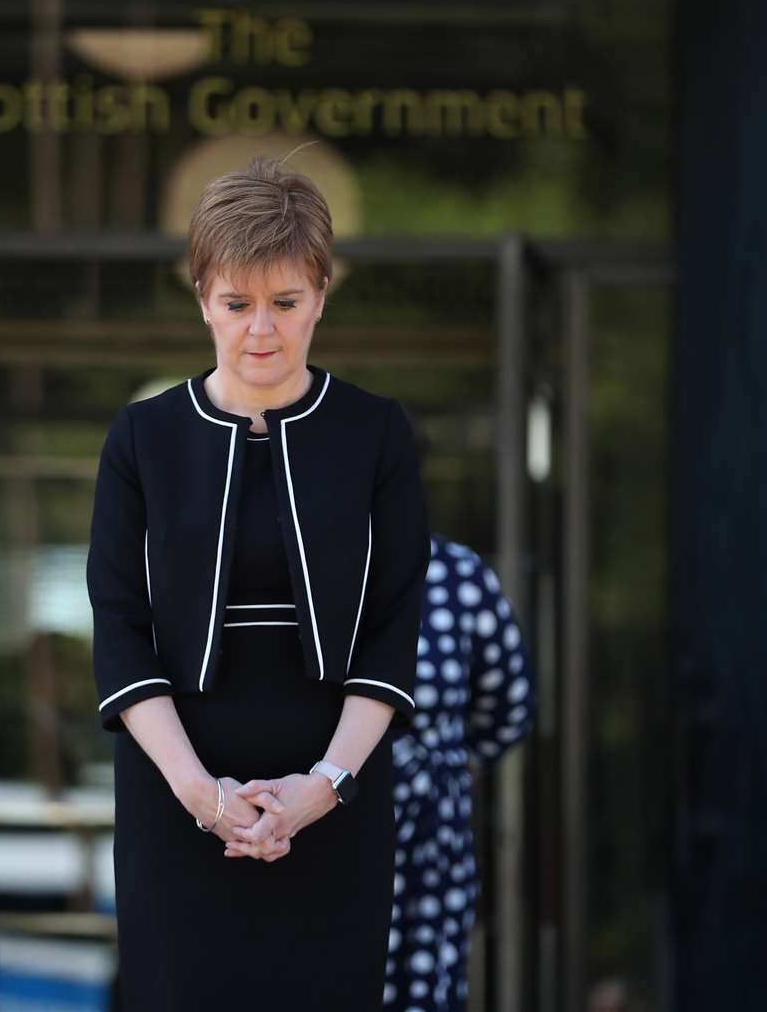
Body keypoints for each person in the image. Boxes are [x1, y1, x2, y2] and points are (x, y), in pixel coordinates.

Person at [87, 155, 430, 1010]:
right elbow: (120, 628)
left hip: (335, 786)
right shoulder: (141, 440)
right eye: (238, 304)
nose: (261, 330)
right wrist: (202, 796)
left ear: (320, 293)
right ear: (203, 296)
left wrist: (322, 789)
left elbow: (392, 629)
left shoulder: (377, 434)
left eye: (285, 302)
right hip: (177, 789)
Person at [385, 534, 535, 1012]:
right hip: (307, 824)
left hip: (426, 836)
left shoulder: (454, 571)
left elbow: (508, 702)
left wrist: (447, 763)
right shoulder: (451, 569)